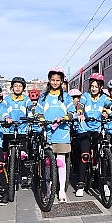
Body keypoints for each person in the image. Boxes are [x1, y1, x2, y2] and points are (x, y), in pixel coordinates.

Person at [35, 67, 75, 203]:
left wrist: (65, 118)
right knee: (47, 162)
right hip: (47, 132)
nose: (55, 82)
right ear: (49, 80)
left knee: (60, 162)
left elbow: (72, 112)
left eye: (58, 80)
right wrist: (40, 118)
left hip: (62, 133)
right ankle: (48, 188)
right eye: (53, 80)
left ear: (62, 81)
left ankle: (62, 190)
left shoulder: (66, 97)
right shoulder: (43, 97)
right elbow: (37, 112)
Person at [73, 73, 112, 197]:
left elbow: (111, 106)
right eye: (92, 86)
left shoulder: (104, 98)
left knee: (102, 156)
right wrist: (80, 112)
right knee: (85, 156)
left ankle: (104, 184)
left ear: (100, 87)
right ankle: (80, 184)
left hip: (97, 129)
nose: (93, 88)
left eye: (96, 86)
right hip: (84, 129)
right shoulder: (85, 96)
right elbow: (80, 105)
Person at [0, 77, 32, 188]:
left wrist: (31, 117)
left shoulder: (27, 99)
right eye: (15, 86)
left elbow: (31, 109)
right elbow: (2, 109)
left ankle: (24, 176)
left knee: (23, 154)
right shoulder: (7, 99)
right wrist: (6, 117)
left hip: (22, 130)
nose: (18, 88)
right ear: (12, 87)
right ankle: (4, 176)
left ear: (23, 88)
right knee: (4, 154)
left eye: (20, 86)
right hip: (8, 130)